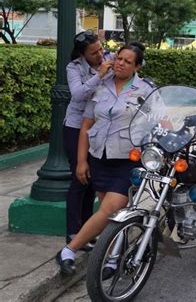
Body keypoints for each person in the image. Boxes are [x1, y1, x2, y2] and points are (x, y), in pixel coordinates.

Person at [56, 43, 156, 276]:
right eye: (119, 58)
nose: (120, 63)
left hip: (129, 159)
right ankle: (112, 259)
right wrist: (82, 161)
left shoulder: (146, 89)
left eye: (127, 61)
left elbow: (159, 120)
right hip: (99, 157)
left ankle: (69, 250)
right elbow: (86, 126)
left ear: (137, 66)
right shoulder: (101, 85)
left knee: (112, 208)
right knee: (111, 216)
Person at [63, 30, 115, 251]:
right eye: (94, 53)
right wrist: (99, 75)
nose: (100, 55)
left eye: (101, 49)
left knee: (93, 180)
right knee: (79, 177)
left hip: (101, 127)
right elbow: (77, 94)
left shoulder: (111, 59)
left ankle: (86, 229)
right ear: (83, 54)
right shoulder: (74, 68)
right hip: (76, 127)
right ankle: (73, 232)